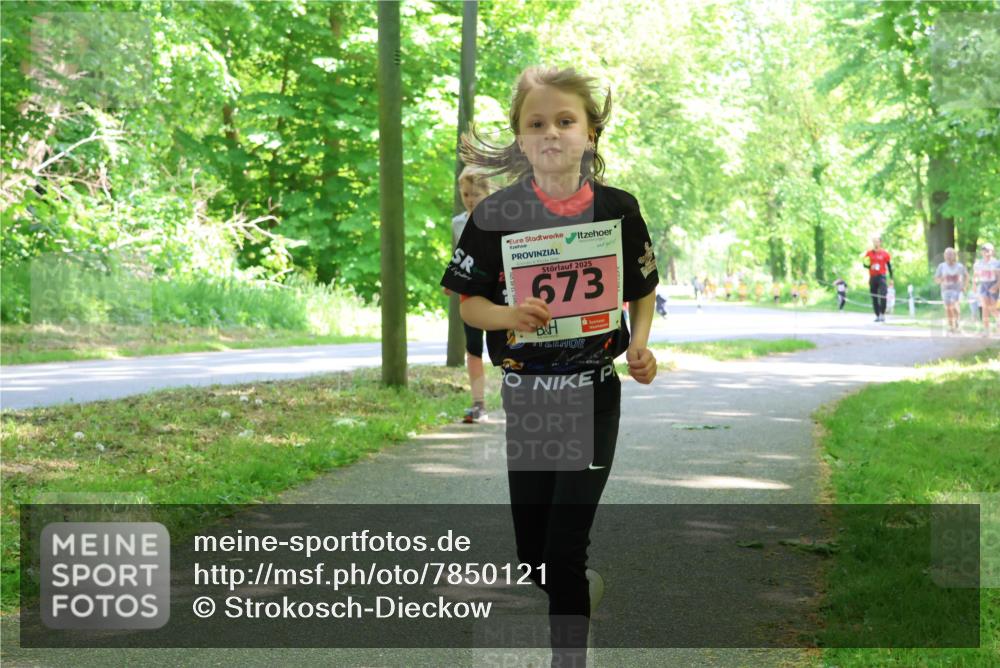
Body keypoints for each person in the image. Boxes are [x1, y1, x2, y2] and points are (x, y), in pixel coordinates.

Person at [440, 65, 658, 665]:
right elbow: (471, 301)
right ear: (519, 137)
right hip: (530, 396)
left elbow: (641, 288)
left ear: (590, 133)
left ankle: (569, 656)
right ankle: (576, 592)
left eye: (566, 121)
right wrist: (510, 316)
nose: (551, 133)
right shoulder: (495, 215)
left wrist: (639, 344)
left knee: (564, 547)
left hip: (591, 391)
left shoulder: (617, 209)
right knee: (534, 556)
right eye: (536, 123)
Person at [446, 166, 496, 422]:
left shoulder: (501, 219)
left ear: (487, 192)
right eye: (465, 194)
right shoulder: (458, 223)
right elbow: (459, 257)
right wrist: (451, 280)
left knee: (505, 347)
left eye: (475, 194)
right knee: (473, 347)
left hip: (498, 294)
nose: (470, 199)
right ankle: (478, 403)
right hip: (471, 293)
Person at [934, 248, 968, 334]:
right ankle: (950, 326)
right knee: (948, 308)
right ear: (944, 256)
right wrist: (942, 278)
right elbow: (936, 280)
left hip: (957, 290)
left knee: (954, 306)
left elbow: (966, 276)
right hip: (945, 290)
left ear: (954, 255)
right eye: (947, 254)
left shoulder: (960, 266)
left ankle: (957, 323)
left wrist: (965, 286)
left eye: (950, 254)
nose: (948, 256)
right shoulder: (941, 266)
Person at [862, 236, 893, 322]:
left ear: (880, 242)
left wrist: (891, 278)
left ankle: (882, 313)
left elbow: (889, 266)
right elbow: (864, 264)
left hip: (881, 276)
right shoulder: (869, 253)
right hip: (873, 277)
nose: (876, 243)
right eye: (874, 242)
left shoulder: (885, 253)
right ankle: (877, 314)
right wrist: (869, 266)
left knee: (883, 295)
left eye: (877, 242)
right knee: (874, 296)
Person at [972, 242, 999, 336]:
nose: (986, 252)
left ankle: (998, 320)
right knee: (985, 307)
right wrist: (974, 285)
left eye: (988, 250)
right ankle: (986, 330)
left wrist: (996, 286)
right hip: (983, 285)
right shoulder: (978, 263)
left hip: (993, 285)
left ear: (992, 252)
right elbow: (975, 276)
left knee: (993, 308)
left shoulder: (996, 263)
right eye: (984, 250)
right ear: (981, 252)